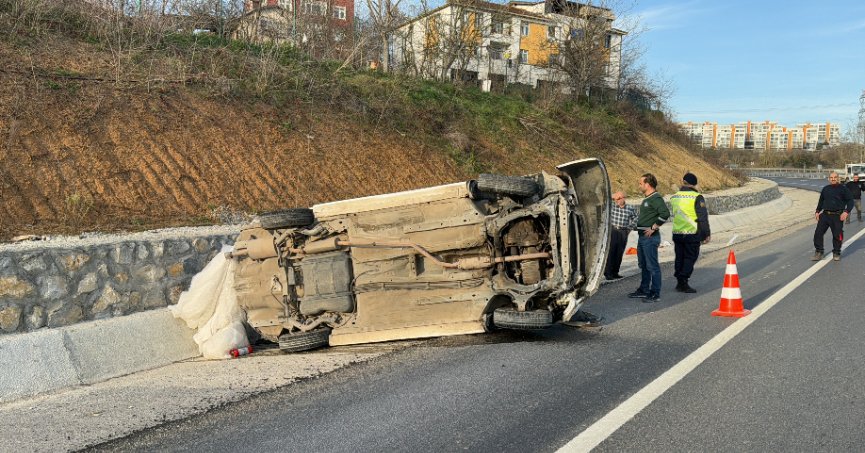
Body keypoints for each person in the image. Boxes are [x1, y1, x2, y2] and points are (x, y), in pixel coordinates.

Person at [628, 173, 669, 303]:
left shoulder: (655, 198)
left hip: (650, 239)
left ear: (648, 184)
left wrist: (654, 227)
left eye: (640, 183)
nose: (639, 185)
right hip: (642, 238)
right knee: (644, 265)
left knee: (652, 266)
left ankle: (655, 293)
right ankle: (644, 289)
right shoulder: (647, 199)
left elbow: (665, 213)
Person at [670, 173, 711, 293]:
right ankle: (683, 281)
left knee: (679, 258)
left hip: (677, 232)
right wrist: (706, 234)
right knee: (690, 257)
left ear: (683, 182)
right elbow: (702, 217)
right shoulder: (697, 197)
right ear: (695, 183)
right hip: (692, 233)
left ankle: (679, 281)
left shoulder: (675, 196)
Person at [813, 172, 853, 261]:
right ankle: (819, 252)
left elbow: (850, 201)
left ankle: (836, 252)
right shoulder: (825, 189)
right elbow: (821, 201)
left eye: (835, 177)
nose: (833, 179)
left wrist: (846, 212)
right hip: (825, 215)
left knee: (837, 235)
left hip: (837, 216)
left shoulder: (843, 189)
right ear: (829, 179)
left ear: (838, 178)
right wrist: (817, 211)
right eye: (831, 177)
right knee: (818, 234)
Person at [604, 191, 637, 280]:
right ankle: (608, 273)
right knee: (611, 252)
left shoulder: (630, 208)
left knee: (619, 252)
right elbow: (604, 199)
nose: (616, 200)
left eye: (618, 199)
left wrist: (629, 228)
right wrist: (613, 196)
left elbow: (636, 218)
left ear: (623, 198)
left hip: (623, 231)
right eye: (615, 199)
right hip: (613, 230)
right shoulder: (612, 206)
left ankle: (615, 272)